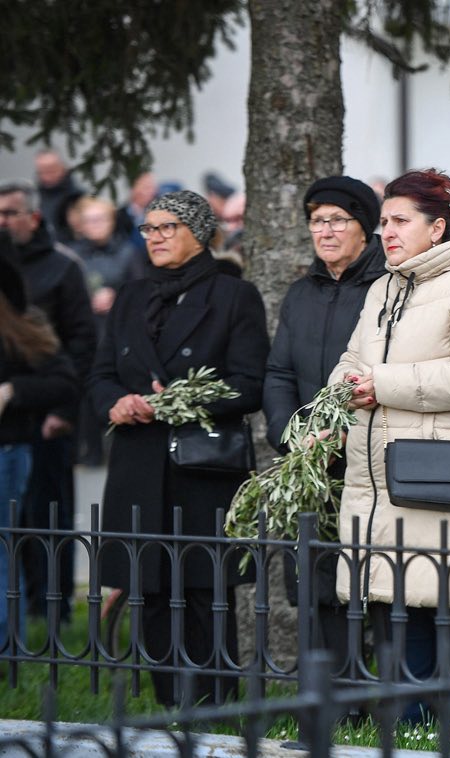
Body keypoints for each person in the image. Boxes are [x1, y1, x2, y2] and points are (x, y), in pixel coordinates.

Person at [331, 168, 450, 727]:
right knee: (399, 609)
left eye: (400, 221)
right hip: (383, 478)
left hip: (442, 475)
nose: (386, 232)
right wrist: (336, 396)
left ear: (436, 229)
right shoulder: (385, 287)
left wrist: (382, 385)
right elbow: (354, 360)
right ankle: (407, 729)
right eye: (383, 221)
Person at [88, 189, 268, 708]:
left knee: (203, 589)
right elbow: (100, 374)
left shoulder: (235, 296)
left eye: (167, 227)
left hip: (202, 471)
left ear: (199, 231)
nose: (155, 238)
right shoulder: (130, 296)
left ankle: (216, 706)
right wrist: (117, 402)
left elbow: (250, 384)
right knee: (150, 585)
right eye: (148, 229)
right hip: (140, 465)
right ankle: (170, 703)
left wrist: (183, 402)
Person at [262, 175, 385, 685]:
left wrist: (341, 433)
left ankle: (366, 697)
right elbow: (279, 375)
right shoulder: (301, 292)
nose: (326, 231)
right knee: (314, 584)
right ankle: (325, 697)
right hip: (309, 463)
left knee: (370, 583)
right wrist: (292, 437)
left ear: (364, 228)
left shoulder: (387, 286)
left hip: (366, 461)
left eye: (338, 220)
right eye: (317, 221)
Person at [0, 179, 95, 627]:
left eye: (9, 213)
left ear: (33, 217)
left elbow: (79, 346)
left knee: (47, 513)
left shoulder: (62, 267)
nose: (3, 221)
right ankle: (22, 603)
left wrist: (63, 410)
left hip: (47, 415)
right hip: (13, 420)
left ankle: (51, 606)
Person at [0, 252, 77, 651]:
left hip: (7, 451)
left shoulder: (19, 325)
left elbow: (64, 380)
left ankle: (4, 647)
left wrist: (13, 392)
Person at [70, 196, 144, 465]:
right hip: (85, 332)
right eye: (89, 220)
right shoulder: (74, 255)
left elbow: (140, 291)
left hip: (116, 332)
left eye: (100, 219)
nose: (96, 225)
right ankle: (89, 449)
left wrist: (116, 297)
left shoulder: (128, 252)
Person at [33, 149, 86, 245]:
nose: (47, 176)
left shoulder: (77, 197)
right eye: (42, 171)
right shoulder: (33, 197)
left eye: (51, 169)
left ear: (63, 168)